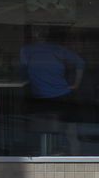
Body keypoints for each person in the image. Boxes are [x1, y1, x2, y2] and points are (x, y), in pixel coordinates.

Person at [19, 25, 84, 154]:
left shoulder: (26, 50)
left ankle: (44, 156)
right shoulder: (57, 49)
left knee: (38, 133)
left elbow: (23, 73)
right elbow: (80, 62)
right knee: (71, 136)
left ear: (33, 34)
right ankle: (74, 163)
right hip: (63, 97)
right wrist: (76, 84)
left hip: (40, 99)